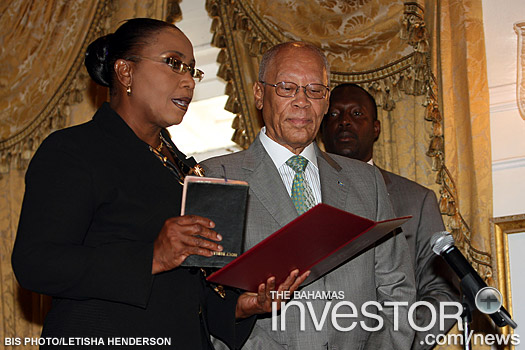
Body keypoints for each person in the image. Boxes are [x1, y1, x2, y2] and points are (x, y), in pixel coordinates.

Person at [11, 18, 307, 349]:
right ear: (125, 73)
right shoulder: (75, 150)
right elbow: (36, 263)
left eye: (192, 70)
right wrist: (151, 256)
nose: (188, 81)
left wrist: (241, 306)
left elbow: (180, 289)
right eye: (173, 63)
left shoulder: (180, 165)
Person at [201, 42, 416, 349]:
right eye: (287, 88)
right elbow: (203, 307)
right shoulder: (216, 177)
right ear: (259, 94)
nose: (302, 102)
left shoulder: (365, 181)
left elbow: (398, 291)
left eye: (315, 90)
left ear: (326, 101)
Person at [321, 83, 460, 349]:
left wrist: (400, 344)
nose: (345, 122)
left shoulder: (417, 201)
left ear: (376, 128)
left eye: (356, 114)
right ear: (321, 129)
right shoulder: (302, 196)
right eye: (334, 115)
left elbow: (443, 294)